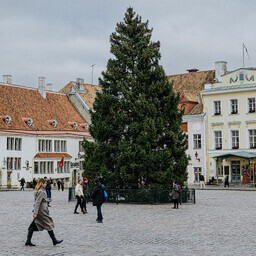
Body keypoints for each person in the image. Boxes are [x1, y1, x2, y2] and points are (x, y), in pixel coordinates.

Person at [25, 178, 63, 246]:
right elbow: (37, 202)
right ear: (42, 184)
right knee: (48, 224)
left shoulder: (40, 190)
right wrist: (35, 213)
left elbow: (40, 200)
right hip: (41, 212)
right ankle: (54, 240)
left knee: (33, 226)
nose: (46, 184)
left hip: (40, 211)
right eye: (45, 183)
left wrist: (46, 200)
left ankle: (28, 241)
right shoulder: (41, 191)